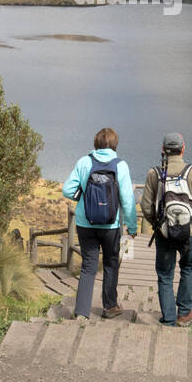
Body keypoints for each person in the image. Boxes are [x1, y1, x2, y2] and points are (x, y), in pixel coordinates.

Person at [139, 132, 192, 327]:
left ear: (163, 150)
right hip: (189, 234)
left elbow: (145, 206)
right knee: (188, 267)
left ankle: (168, 318)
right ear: (183, 149)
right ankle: (184, 312)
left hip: (164, 233)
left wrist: (157, 224)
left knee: (165, 274)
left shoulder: (154, 173)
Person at [61, 127, 137, 319]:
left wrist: (84, 196)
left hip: (85, 223)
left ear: (96, 143)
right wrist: (132, 227)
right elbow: (127, 199)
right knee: (111, 263)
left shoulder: (84, 162)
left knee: (89, 266)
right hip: (111, 226)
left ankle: (81, 312)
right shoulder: (121, 165)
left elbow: (67, 190)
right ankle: (110, 306)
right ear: (114, 144)